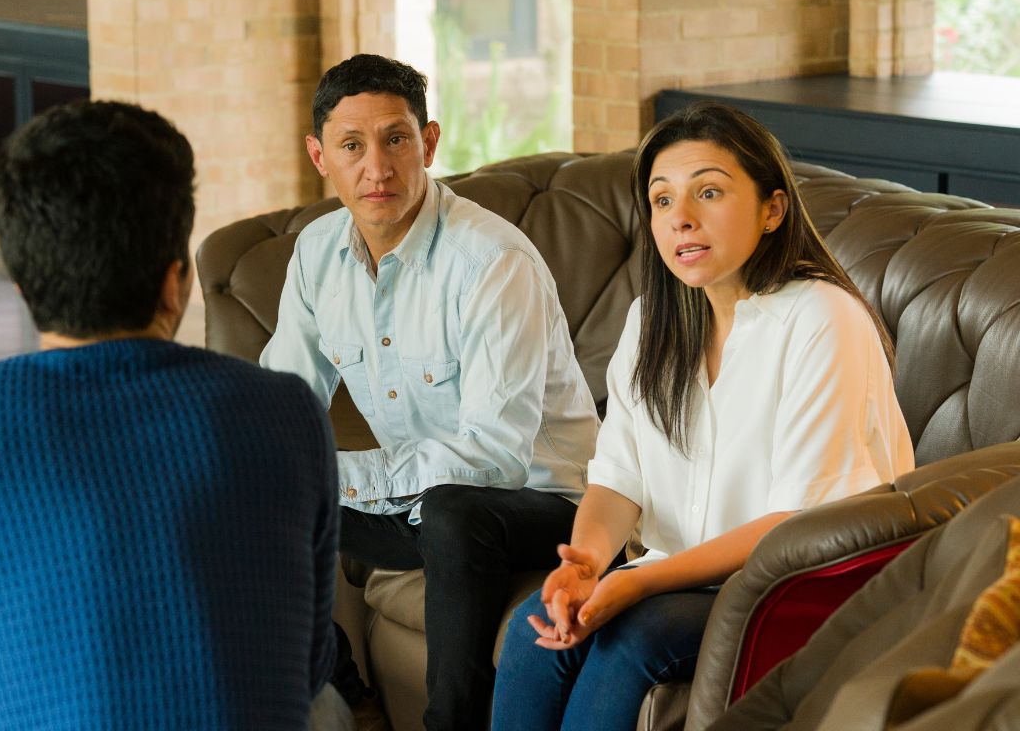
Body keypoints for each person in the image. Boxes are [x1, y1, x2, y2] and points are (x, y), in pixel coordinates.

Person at [0, 100, 350, 731]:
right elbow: (306, 665)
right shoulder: (288, 411)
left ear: (23, 285)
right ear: (174, 283)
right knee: (326, 707)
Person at [490, 101, 916, 730]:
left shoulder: (823, 318)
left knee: (629, 640)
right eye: (662, 201)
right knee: (536, 635)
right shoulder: (651, 322)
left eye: (708, 192)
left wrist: (638, 584)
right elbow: (617, 479)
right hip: (682, 579)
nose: (681, 219)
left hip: (800, 585)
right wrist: (583, 564)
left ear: (773, 209)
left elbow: (796, 520)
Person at [260, 53, 601, 729]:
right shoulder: (317, 251)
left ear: (431, 142)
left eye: (396, 139)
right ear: (319, 155)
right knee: (259, 489)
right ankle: (348, 699)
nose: (377, 168)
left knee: (451, 511)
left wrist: (335, 477)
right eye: (352, 146)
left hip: (547, 505)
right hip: (420, 505)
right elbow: (283, 402)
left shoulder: (491, 261)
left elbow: (496, 459)